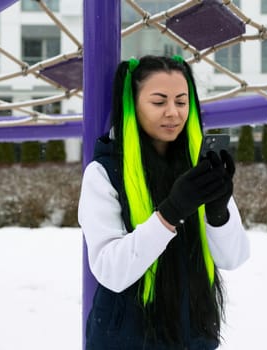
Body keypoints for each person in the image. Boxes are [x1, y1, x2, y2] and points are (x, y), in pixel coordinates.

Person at [78, 55, 249, 350]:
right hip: (127, 340)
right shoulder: (103, 172)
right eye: (159, 102)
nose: (173, 113)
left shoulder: (197, 165)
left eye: (181, 102)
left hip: (194, 336)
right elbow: (111, 271)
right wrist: (170, 213)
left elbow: (233, 258)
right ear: (133, 104)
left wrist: (218, 211)